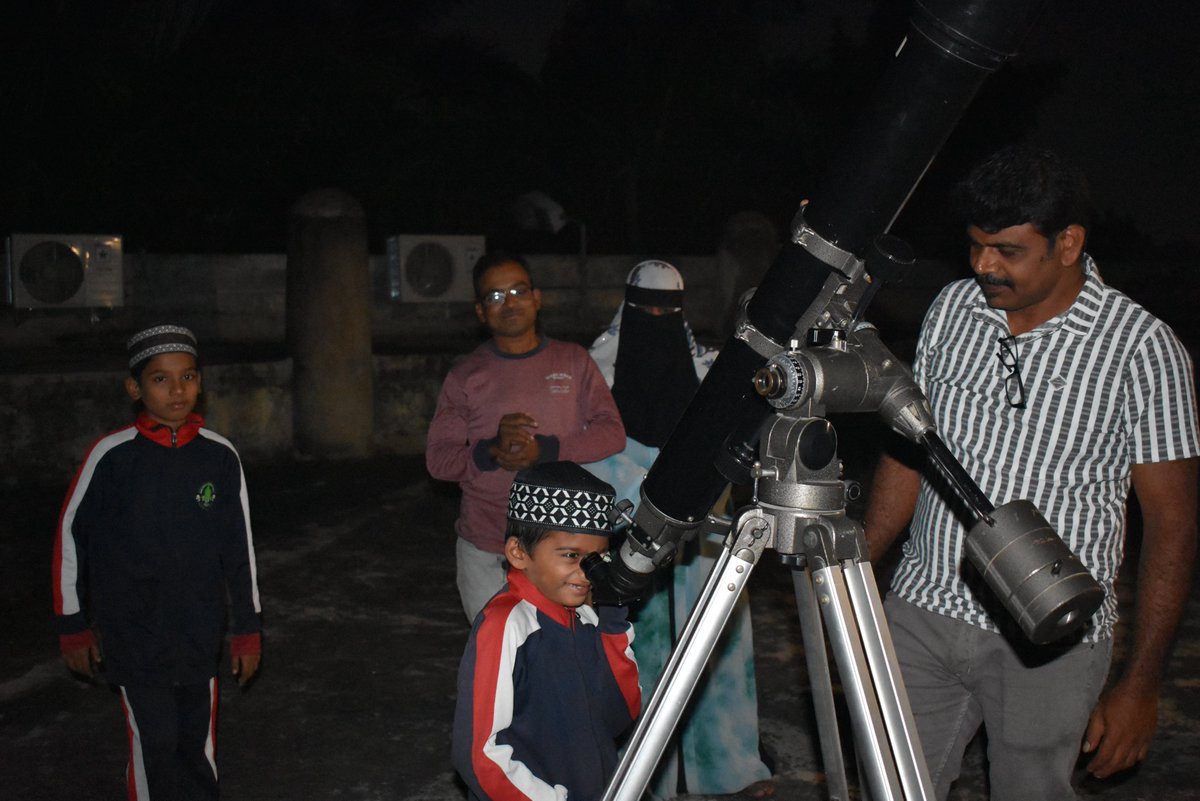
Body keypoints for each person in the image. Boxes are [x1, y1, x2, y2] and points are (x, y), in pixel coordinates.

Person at [863, 144, 1199, 800]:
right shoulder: (953, 308)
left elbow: (1173, 524)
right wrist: (860, 571)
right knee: (890, 787)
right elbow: (910, 451)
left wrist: (1140, 684)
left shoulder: (1143, 349)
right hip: (922, 610)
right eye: (975, 245)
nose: (983, 265)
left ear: (1068, 243)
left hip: (1051, 637)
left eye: (1007, 250)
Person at [587, 260, 773, 799]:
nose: (655, 321)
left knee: (715, 644)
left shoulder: (710, 371)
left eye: (666, 311)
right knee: (636, 652)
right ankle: (642, 775)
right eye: (644, 309)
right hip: (629, 534)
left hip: (705, 539)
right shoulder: (595, 375)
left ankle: (727, 763)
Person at [52, 324, 263, 800]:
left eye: (187, 376)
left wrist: (247, 630)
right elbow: (70, 537)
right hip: (133, 636)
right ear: (135, 388)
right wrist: (73, 626)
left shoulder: (219, 456)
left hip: (199, 635)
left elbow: (240, 549)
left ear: (200, 382)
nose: (177, 390)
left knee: (195, 748)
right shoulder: (110, 457)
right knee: (156, 746)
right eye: (160, 379)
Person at [426, 251, 625, 622]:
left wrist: (547, 450)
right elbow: (439, 461)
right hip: (487, 548)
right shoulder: (466, 376)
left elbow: (612, 433)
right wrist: (490, 451)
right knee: (497, 652)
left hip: (564, 547)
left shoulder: (573, 361)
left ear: (537, 298)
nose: (509, 303)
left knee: (564, 653)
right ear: (481, 311)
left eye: (518, 291)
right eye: (495, 296)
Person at [452, 460, 641, 801]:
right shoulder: (506, 625)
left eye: (597, 558)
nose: (586, 572)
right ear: (518, 553)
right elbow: (480, 755)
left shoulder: (586, 619)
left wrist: (614, 621)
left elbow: (618, 717)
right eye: (570, 555)